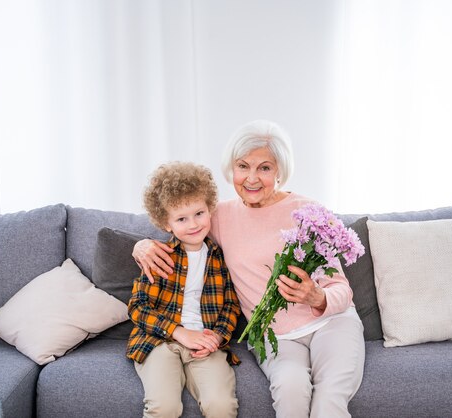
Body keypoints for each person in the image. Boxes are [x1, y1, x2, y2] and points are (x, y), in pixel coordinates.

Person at [133, 120, 365, 418]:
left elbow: (342, 290)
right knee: (290, 390)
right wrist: (141, 246)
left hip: (331, 324)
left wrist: (317, 297)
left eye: (265, 168)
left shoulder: (309, 212)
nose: (252, 178)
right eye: (243, 166)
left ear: (280, 170)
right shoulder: (218, 216)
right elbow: (179, 223)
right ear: (232, 169)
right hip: (274, 334)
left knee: (328, 402)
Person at [126, 161, 241, 418]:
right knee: (165, 407)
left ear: (210, 208)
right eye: (181, 218)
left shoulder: (219, 256)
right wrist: (178, 332)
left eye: (199, 213)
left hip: (205, 340)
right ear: (167, 224)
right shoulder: (159, 256)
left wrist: (218, 336)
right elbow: (138, 307)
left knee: (221, 406)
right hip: (160, 341)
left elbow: (231, 305)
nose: (193, 224)